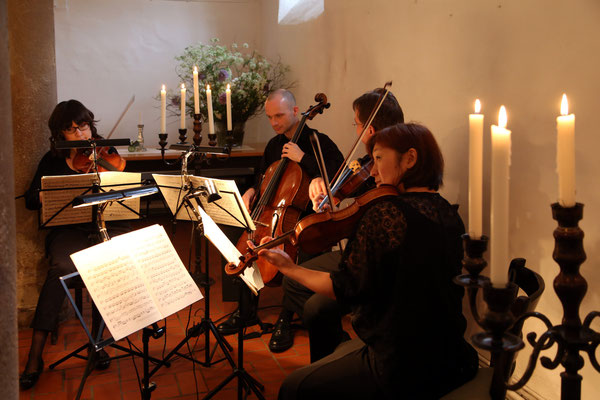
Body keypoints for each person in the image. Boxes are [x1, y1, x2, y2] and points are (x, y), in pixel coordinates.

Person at [254, 123, 479, 399]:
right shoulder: (447, 212)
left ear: (410, 159)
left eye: (379, 159)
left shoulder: (387, 213)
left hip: (402, 365)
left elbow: (343, 288)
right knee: (318, 311)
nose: (371, 171)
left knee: (293, 388)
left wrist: (288, 267)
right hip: (454, 355)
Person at [272, 89, 404, 360]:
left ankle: (339, 344)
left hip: (372, 256)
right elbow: (345, 189)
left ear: (370, 128)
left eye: (357, 122)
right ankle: (336, 343)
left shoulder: (390, 163)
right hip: (358, 248)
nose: (356, 129)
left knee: (298, 284)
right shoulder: (368, 161)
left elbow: (373, 202)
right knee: (305, 296)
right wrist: (327, 191)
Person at [216, 89, 344, 338]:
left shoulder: (318, 141)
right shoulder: (274, 145)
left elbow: (336, 176)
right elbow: (263, 175)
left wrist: (303, 158)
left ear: (296, 111)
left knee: (306, 248)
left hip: (309, 217)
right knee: (243, 245)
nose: (274, 122)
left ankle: (286, 317)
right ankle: (246, 312)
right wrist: (252, 189)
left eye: (279, 116)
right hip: (274, 215)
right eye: (270, 117)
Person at [20, 100, 127, 390]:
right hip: (67, 231)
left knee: (111, 263)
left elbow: (123, 187)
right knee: (61, 268)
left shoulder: (106, 151)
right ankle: (35, 355)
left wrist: (103, 169)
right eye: (70, 129)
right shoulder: (52, 160)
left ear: (90, 125)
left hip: (102, 224)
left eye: (83, 126)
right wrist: (43, 196)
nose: (79, 134)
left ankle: (98, 344)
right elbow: (30, 199)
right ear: (60, 134)